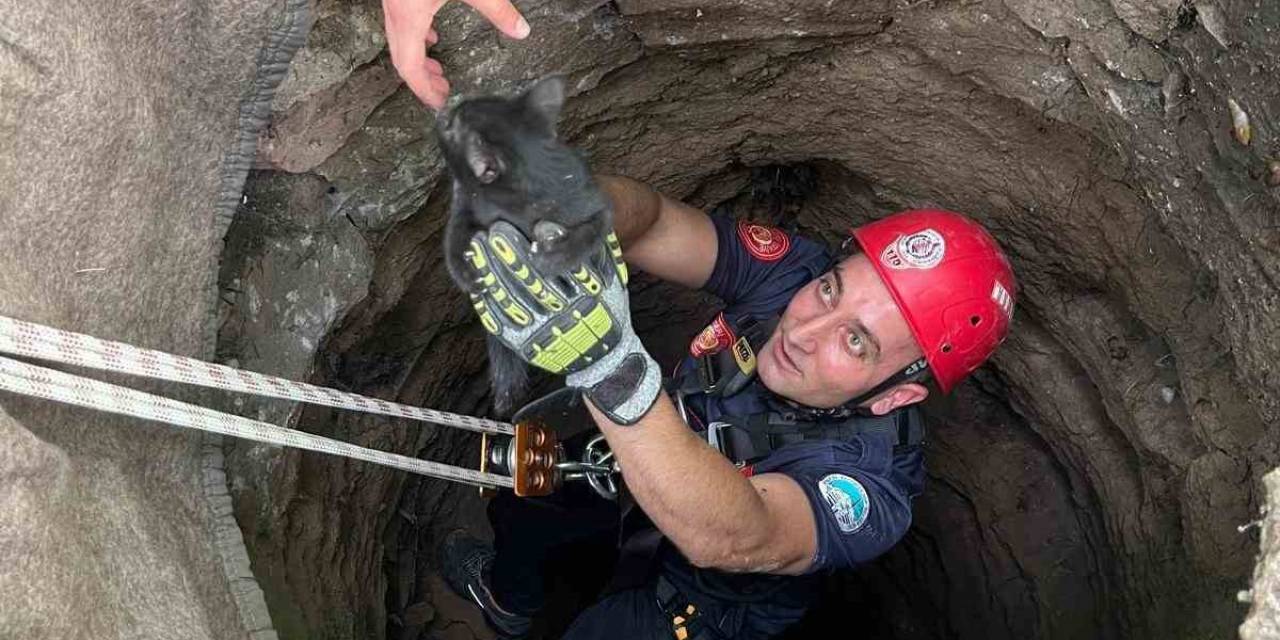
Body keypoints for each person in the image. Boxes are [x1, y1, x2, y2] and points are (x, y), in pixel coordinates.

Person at [439, 174, 1018, 639]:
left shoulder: (873, 487)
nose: (802, 331)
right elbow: (655, 221)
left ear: (896, 394)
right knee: (527, 507)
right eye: (831, 291)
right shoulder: (791, 274)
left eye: (855, 342)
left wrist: (611, 369)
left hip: (698, 603)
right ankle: (508, 602)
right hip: (642, 454)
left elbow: (737, 537)